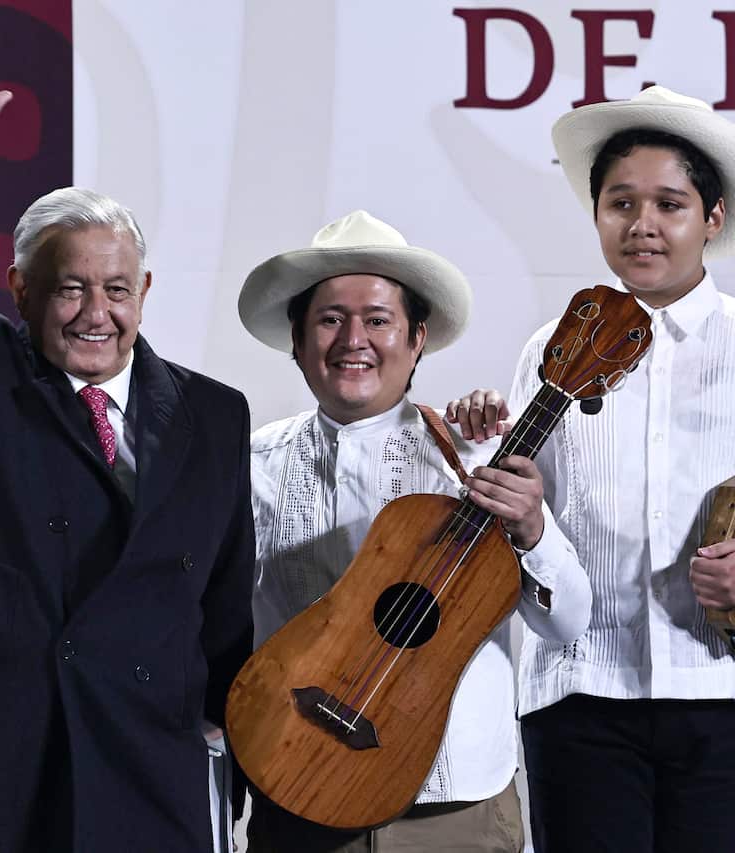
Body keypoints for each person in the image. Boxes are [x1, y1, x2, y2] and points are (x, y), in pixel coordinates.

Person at [0, 43, 254, 852]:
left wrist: (227, 735)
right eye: (70, 287)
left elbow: (224, 596)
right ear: (21, 290)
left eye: (114, 288)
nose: (94, 312)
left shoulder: (214, 413)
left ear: (144, 292)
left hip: (143, 766)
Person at [237, 212, 590, 852]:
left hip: (455, 808)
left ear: (417, 337)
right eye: (329, 318)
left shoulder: (477, 460)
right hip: (299, 781)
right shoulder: (249, 466)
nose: (353, 339)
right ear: (297, 338)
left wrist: (535, 530)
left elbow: (565, 624)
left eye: (377, 319)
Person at [447, 86, 735, 851]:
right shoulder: (549, 347)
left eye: (670, 204)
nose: (642, 225)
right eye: (620, 202)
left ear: (713, 217)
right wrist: (486, 462)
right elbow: (513, 522)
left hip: (723, 690)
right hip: (578, 695)